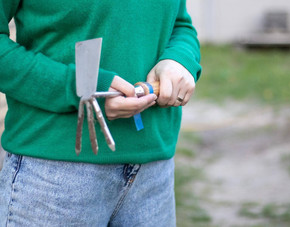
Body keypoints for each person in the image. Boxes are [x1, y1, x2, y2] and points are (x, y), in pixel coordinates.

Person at [0, 0, 201, 226]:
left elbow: (179, 24)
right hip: (53, 177)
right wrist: (77, 86)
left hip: (153, 175)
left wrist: (180, 59)